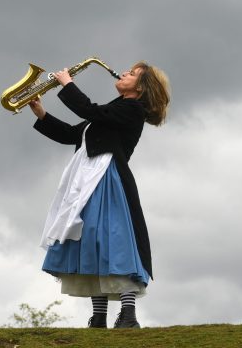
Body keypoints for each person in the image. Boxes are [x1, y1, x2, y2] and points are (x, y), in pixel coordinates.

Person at [28, 61, 170, 329]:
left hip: (108, 179)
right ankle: (99, 317)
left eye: (132, 74)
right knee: (91, 241)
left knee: (115, 241)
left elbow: (87, 109)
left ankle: (128, 315)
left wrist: (67, 83)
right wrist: (41, 114)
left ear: (141, 87)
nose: (124, 73)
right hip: (87, 180)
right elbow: (72, 134)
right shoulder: (115, 109)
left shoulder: (132, 109)